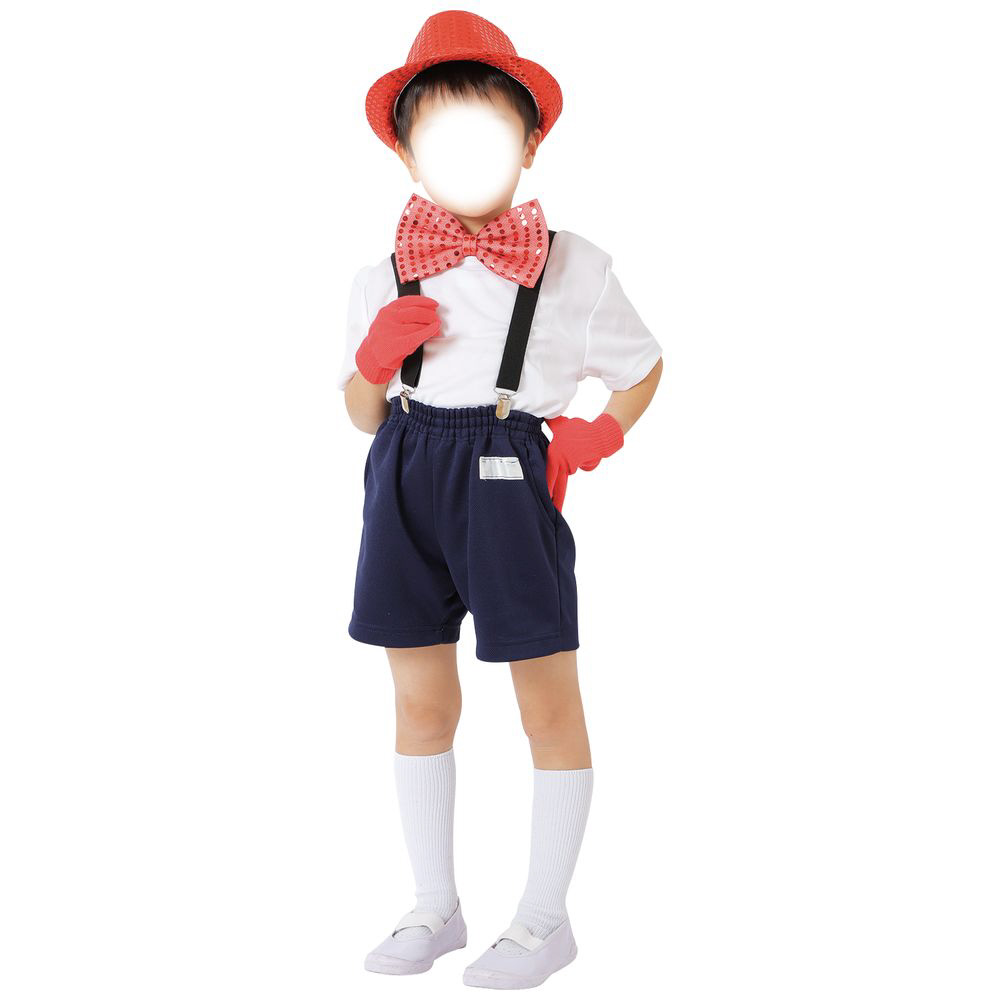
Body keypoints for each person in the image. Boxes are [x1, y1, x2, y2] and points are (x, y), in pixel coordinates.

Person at [337, 11, 663, 990]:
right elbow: (360, 414)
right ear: (406, 154)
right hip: (403, 472)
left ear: (529, 143)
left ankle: (544, 920)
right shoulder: (380, 274)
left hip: (509, 475)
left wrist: (599, 432)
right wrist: (373, 361)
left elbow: (643, 367)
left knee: (545, 700)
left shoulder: (574, 266)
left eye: (487, 130)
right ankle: (435, 904)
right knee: (418, 699)